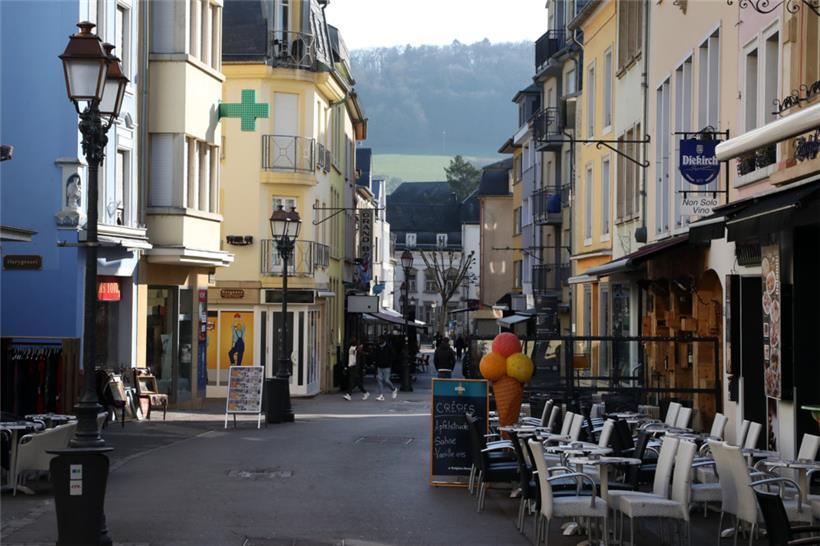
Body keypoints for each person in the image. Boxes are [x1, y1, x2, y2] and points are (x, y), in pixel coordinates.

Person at [374, 335, 398, 400]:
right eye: (378, 339)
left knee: (386, 380)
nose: (378, 341)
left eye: (379, 339)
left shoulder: (389, 347)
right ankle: (381, 395)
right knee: (379, 380)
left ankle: (394, 389)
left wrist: (389, 363)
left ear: (383, 340)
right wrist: (376, 364)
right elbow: (375, 356)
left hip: (387, 367)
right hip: (379, 366)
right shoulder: (377, 347)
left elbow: (393, 355)